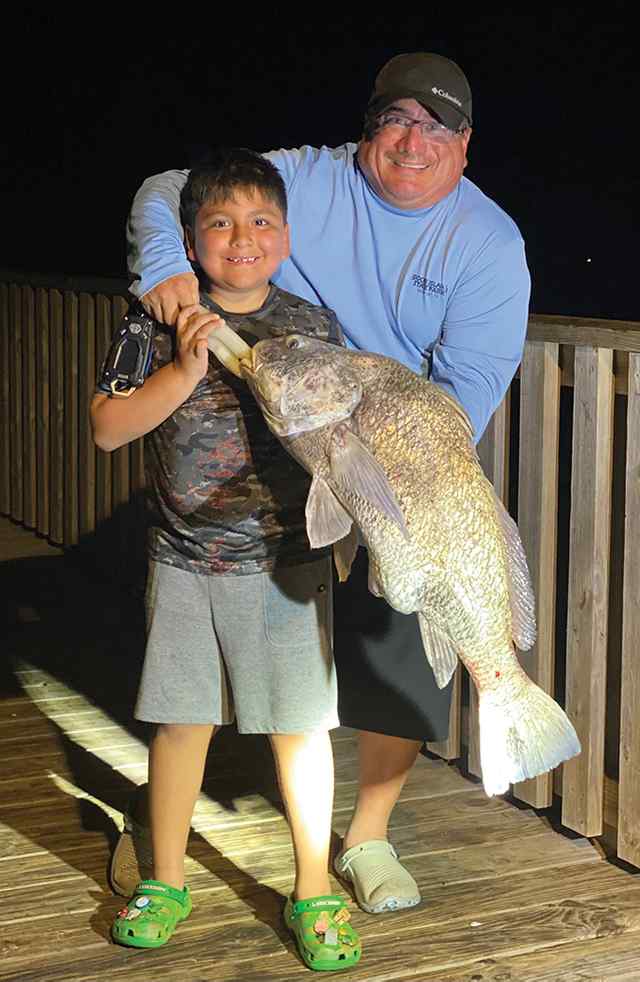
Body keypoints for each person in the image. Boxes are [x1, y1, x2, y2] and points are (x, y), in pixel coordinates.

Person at [118, 52, 531, 917]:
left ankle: (367, 835)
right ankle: (166, 830)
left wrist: (383, 478)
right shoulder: (312, 177)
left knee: (401, 627)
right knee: (231, 667)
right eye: (397, 121)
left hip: (394, 443)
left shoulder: (488, 243)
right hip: (282, 443)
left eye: (438, 127)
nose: (414, 143)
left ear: (466, 145)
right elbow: (169, 188)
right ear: (368, 127)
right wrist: (166, 265)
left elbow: (464, 397)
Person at [91, 148, 363, 970]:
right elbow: (108, 427)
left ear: (285, 236)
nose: (241, 239)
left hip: (287, 563)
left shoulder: (311, 328)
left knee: (299, 732)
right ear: (190, 235)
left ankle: (313, 885)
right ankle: (165, 878)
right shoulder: (153, 319)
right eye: (219, 223)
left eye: (260, 223)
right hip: (183, 559)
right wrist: (184, 368)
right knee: (181, 724)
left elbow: (341, 445)